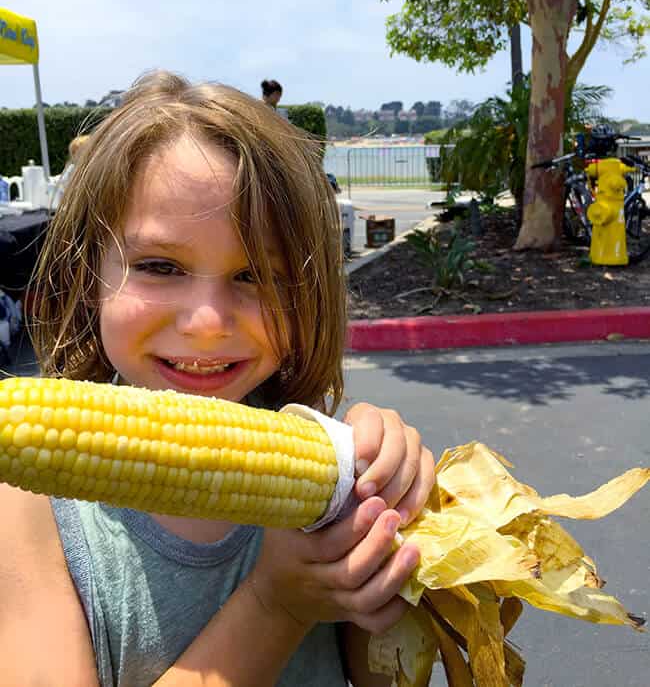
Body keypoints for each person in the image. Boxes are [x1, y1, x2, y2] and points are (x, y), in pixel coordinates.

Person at [0, 70, 435, 687]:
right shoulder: (29, 509)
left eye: (256, 276)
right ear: (86, 273)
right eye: (159, 266)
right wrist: (278, 604)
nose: (207, 323)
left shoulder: (332, 474)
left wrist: (407, 540)